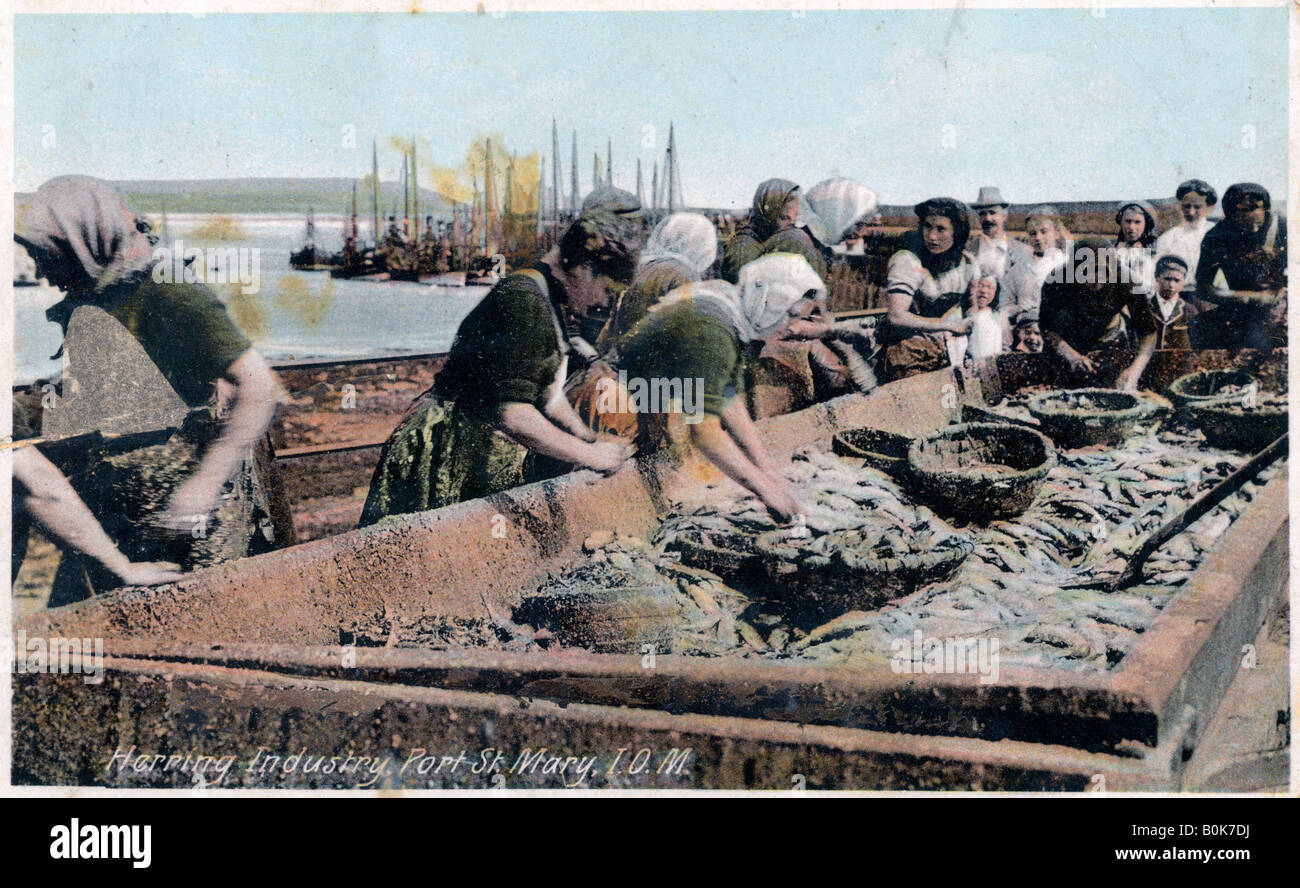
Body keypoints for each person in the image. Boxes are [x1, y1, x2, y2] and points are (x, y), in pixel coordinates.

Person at [15, 175, 282, 604]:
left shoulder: (167, 289)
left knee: (205, 626)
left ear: (83, 241)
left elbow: (258, 386)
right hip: (121, 512)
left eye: (46, 257)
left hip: (189, 516)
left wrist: (202, 487)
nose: (41, 271)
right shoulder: (97, 297)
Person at [359, 189, 643, 525]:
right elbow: (512, 413)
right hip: (448, 453)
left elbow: (550, 397)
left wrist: (587, 436)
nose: (602, 302)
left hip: (477, 451)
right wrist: (591, 454)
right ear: (583, 268)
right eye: (605, 290)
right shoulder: (523, 300)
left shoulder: (547, 296)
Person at [613, 254, 826, 524]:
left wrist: (772, 476)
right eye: (792, 315)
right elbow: (704, 431)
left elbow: (729, 401)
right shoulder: (713, 329)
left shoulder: (734, 309)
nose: (794, 327)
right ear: (770, 303)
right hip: (617, 407)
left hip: (649, 401)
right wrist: (764, 489)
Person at [1038, 237, 1159, 391]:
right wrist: (1071, 356)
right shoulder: (1056, 281)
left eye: (1103, 272)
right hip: (1068, 340)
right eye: (1087, 272)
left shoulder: (1128, 281)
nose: (1096, 280)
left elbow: (1148, 332)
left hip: (1110, 338)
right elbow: (1048, 329)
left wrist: (1135, 371)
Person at [879, 197, 976, 380]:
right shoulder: (908, 261)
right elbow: (896, 316)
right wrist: (947, 325)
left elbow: (972, 308)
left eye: (941, 229)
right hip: (907, 354)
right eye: (927, 226)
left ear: (958, 232)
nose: (932, 236)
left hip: (948, 351)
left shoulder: (967, 264)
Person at [1194, 182, 1287, 350]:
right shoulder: (1216, 237)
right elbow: (1203, 288)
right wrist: (1245, 296)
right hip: (1244, 309)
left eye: (1256, 208)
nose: (1252, 216)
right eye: (1244, 211)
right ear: (1230, 215)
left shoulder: (1285, 228)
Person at [721, 179, 815, 282]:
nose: (792, 223)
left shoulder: (778, 240)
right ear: (769, 213)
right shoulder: (743, 250)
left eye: (795, 215)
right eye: (784, 217)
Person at [1001, 205, 1069, 326]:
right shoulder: (1019, 268)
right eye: (1033, 233)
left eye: (1043, 231)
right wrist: (1017, 309)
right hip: (1025, 332)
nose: (1038, 237)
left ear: (1056, 233)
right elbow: (1004, 303)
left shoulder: (1067, 265)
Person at [1154, 179, 1216, 306]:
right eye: (1186, 206)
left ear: (1209, 208)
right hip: (1178, 298)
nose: (1191, 212)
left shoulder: (1217, 234)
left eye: (1197, 207)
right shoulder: (1168, 238)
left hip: (1213, 297)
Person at [967, 186, 1032, 284]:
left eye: (992, 213)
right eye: (982, 214)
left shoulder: (1023, 251)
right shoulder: (968, 250)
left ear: (1004, 216)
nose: (987, 218)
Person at [1149, 255, 1199, 350]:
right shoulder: (1144, 308)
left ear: (1183, 281)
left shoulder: (1190, 311)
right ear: (1156, 277)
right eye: (1167, 279)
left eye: (1177, 280)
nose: (1171, 285)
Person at [1114, 201, 1159, 293]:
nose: (1131, 227)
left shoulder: (1155, 250)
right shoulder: (1113, 248)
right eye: (1127, 221)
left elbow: (1146, 286)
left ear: (1146, 224)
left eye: (1137, 222)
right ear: (1121, 222)